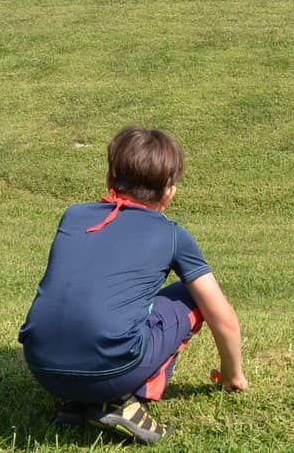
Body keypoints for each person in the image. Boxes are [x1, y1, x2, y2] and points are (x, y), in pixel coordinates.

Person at [19, 126, 248, 444]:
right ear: (169, 191)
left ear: (109, 176)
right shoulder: (171, 235)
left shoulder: (73, 216)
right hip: (111, 370)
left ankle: (76, 403)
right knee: (189, 296)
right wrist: (232, 376)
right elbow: (222, 317)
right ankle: (120, 400)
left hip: (42, 367)